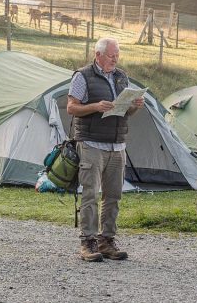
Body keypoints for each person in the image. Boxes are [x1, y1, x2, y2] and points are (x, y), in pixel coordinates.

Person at [66, 37, 144, 262]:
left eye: (117, 55)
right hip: (91, 144)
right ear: (98, 54)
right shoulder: (82, 76)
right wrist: (95, 107)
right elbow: (71, 107)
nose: (115, 59)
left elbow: (125, 112)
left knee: (114, 196)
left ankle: (106, 241)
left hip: (117, 145)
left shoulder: (121, 77)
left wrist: (134, 107)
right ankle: (88, 243)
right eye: (111, 55)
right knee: (90, 194)